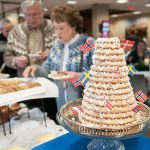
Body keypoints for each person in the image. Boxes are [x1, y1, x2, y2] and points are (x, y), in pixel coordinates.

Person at [23, 5, 94, 110]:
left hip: (86, 107)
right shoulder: (56, 46)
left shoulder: (88, 44)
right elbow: (48, 71)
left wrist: (78, 77)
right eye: (55, 28)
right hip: (61, 106)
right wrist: (36, 68)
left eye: (61, 28)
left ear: (73, 26)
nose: (57, 32)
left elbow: (102, 75)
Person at [3, 0, 56, 77]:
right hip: (25, 80)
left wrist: (51, 55)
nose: (31, 19)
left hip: (50, 79)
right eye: (27, 15)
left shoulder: (54, 28)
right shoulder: (15, 32)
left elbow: (65, 54)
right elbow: (7, 56)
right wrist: (16, 61)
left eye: (35, 14)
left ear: (42, 12)